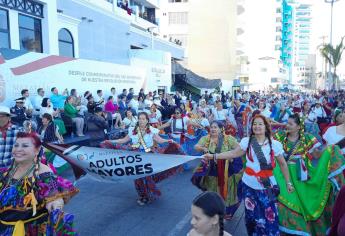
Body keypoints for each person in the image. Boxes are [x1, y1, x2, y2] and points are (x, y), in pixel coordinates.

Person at [204, 114, 293, 235]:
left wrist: (288, 182)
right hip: (249, 185)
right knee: (251, 217)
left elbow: (283, 164)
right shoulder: (247, 142)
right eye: (254, 124)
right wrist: (214, 156)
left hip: (267, 186)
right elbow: (233, 154)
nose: (257, 126)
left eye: (260, 124)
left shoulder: (274, 144)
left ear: (266, 127)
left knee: (270, 216)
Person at [274, 113, 345, 235]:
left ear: (298, 127)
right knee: (286, 200)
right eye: (287, 123)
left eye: (291, 124)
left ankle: (302, 230)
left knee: (304, 203)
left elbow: (317, 155)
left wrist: (330, 150)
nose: (287, 126)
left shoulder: (307, 138)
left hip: (301, 175)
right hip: (283, 174)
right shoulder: (280, 136)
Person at [0, 132, 78, 235]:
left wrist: (56, 203)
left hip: (31, 230)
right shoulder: (6, 171)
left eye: (25, 146)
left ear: (36, 150)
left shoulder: (43, 173)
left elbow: (54, 196)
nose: (18, 149)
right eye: (16, 145)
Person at [102, 112, 180, 205]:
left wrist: (169, 140)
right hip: (135, 156)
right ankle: (142, 195)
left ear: (147, 120)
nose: (141, 120)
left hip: (147, 156)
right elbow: (123, 140)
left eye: (143, 119)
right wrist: (110, 141)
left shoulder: (152, 130)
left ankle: (148, 195)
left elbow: (159, 140)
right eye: (140, 118)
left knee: (146, 176)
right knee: (137, 177)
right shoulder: (132, 130)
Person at [192, 121, 243, 220]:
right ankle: (214, 211)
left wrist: (231, 155)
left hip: (227, 170)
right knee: (212, 190)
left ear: (221, 129)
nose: (213, 129)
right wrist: (203, 148)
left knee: (227, 191)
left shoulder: (228, 139)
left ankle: (227, 212)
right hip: (211, 170)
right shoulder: (206, 139)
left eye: (215, 127)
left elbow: (239, 149)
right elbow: (196, 146)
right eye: (211, 127)